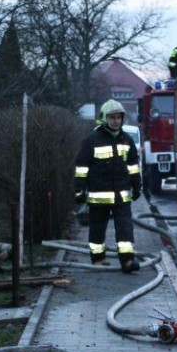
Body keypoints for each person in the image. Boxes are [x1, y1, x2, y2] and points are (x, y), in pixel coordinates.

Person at [74, 99, 142, 273]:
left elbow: (133, 166)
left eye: (118, 117)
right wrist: (79, 190)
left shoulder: (126, 140)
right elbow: (82, 167)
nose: (115, 121)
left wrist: (137, 185)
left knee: (125, 230)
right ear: (104, 118)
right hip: (98, 195)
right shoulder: (92, 140)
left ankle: (127, 261)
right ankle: (98, 258)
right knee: (97, 229)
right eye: (112, 117)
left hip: (121, 196)